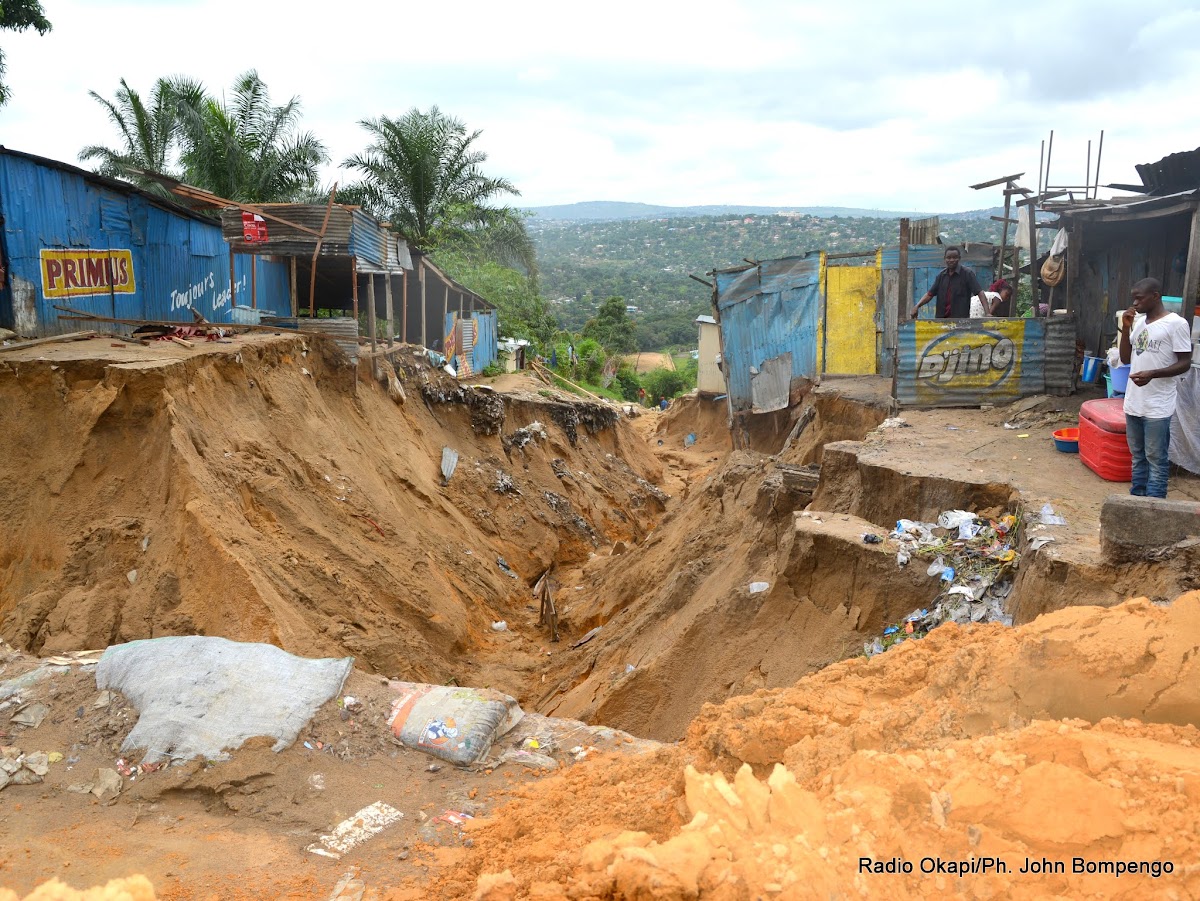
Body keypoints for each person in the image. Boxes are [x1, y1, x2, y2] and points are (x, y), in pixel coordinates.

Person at [1118, 277, 1193, 498]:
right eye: (1134, 298)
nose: (1135, 302)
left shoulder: (1176, 324)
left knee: (1156, 458)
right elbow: (1125, 358)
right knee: (1138, 456)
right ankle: (1137, 499)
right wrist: (1125, 327)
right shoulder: (1139, 323)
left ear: (1155, 296)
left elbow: (1185, 362)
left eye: (1139, 298)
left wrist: (1154, 374)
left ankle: (1155, 506)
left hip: (1158, 405)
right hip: (1134, 402)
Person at [910, 247, 990, 319]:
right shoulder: (941, 276)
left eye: (954, 257)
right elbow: (930, 294)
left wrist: (987, 313)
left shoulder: (967, 274)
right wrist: (917, 306)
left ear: (959, 258)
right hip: (941, 320)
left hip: (960, 321)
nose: (951, 260)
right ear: (945, 259)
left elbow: (980, 292)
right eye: (949, 258)